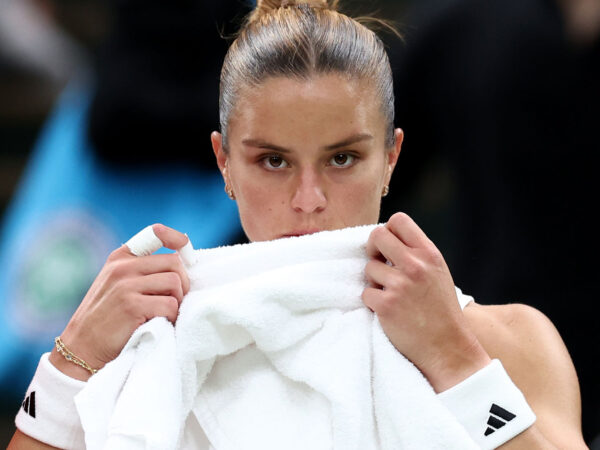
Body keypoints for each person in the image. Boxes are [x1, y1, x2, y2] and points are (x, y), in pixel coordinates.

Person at [9, 0, 587, 448]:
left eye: (342, 159)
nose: (308, 200)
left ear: (391, 159)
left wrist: (457, 363)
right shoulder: (140, 345)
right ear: (224, 165)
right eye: (274, 161)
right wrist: (70, 359)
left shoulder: (504, 339)